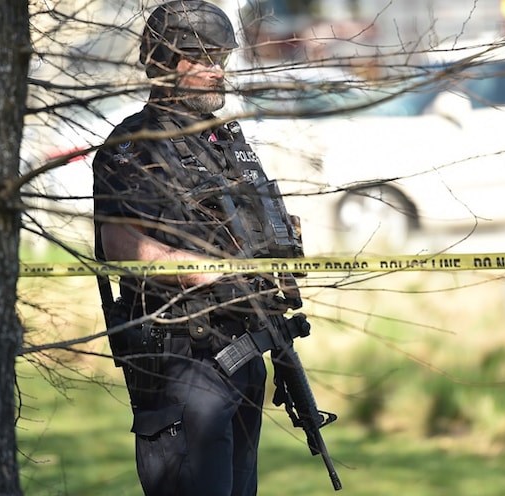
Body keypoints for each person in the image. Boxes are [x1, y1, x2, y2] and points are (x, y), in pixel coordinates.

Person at [92, 1, 303, 494]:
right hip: (183, 360)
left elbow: (260, 222)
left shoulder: (225, 139)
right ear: (164, 62)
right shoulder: (134, 145)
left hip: (246, 348)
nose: (217, 71)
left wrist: (283, 240)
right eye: (203, 58)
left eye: (221, 58)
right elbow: (119, 242)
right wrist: (195, 268)